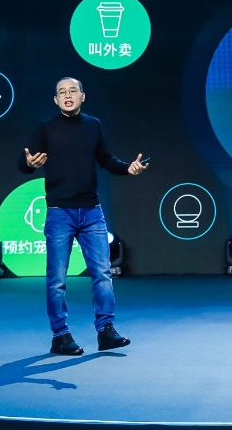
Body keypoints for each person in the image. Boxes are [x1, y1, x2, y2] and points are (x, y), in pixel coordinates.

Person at [18, 77, 148, 356]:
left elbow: (106, 158)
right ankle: (60, 336)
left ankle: (106, 331)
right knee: (57, 279)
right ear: (56, 100)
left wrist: (128, 168)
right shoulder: (46, 128)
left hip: (92, 212)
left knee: (102, 273)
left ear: (82, 96)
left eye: (72, 91)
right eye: (61, 92)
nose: (67, 95)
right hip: (59, 213)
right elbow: (25, 162)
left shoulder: (93, 125)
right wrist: (28, 164)